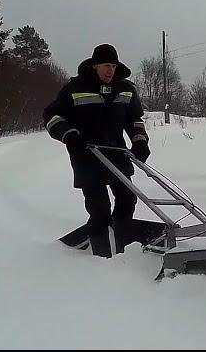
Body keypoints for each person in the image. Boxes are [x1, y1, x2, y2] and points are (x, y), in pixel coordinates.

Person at [43, 44, 151, 258]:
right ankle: (100, 257)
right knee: (100, 208)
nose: (110, 71)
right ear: (95, 66)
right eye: (105, 66)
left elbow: (134, 120)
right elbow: (52, 117)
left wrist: (140, 141)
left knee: (128, 199)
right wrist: (69, 135)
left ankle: (122, 241)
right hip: (87, 155)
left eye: (112, 65)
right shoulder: (74, 88)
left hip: (117, 153)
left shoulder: (126, 89)